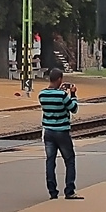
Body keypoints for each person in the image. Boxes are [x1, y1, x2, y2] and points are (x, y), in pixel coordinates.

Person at [38, 67, 82, 200]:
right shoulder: (62, 95)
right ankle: (69, 190)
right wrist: (73, 95)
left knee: (50, 161)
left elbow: (53, 102)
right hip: (62, 132)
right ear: (59, 79)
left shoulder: (42, 94)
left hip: (48, 132)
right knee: (69, 160)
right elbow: (73, 109)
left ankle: (52, 192)